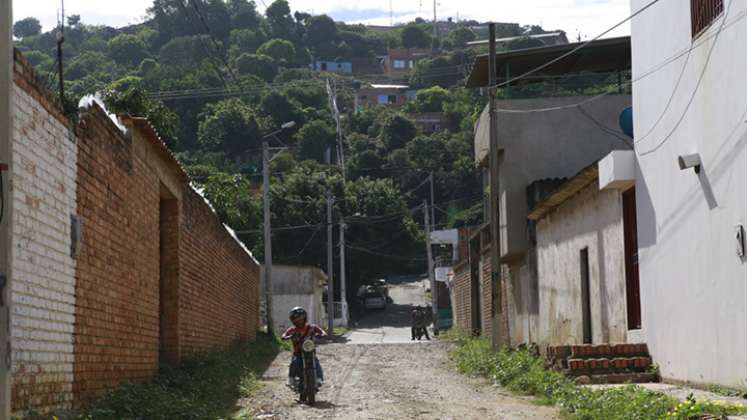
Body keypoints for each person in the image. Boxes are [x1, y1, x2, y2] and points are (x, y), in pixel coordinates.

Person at [281, 307, 327, 388]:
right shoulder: (292, 330)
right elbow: (284, 335)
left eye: (301, 319)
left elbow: (322, 331)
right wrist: (287, 337)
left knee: (316, 362)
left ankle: (319, 378)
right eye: (296, 320)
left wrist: (321, 334)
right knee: (294, 363)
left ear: (305, 318)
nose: (299, 321)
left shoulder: (312, 327)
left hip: (310, 351)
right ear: (293, 321)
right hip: (298, 352)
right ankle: (291, 379)